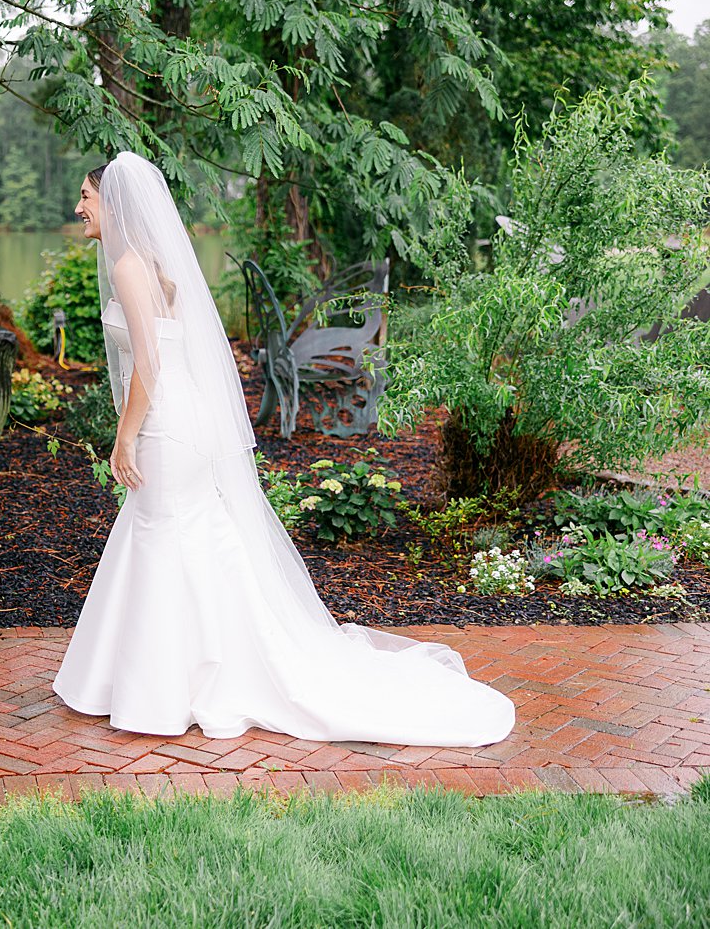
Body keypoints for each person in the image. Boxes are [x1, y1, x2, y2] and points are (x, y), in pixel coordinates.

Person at [52, 153, 515, 746]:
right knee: (186, 538)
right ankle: (176, 672)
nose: (78, 207)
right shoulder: (157, 264)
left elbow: (151, 360)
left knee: (165, 536)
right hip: (185, 419)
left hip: (165, 425)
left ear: (112, 203)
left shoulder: (127, 268)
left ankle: (164, 690)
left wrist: (124, 435)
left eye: (86, 197)